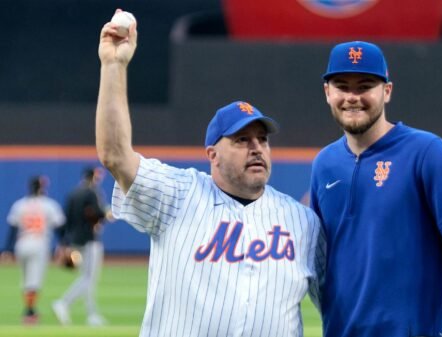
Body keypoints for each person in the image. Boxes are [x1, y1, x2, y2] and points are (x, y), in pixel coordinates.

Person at [94, 10, 321, 337]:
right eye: (242, 139)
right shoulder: (177, 195)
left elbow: (339, 306)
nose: (256, 147)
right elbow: (115, 155)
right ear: (212, 154)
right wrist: (114, 66)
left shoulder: (302, 222)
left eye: (262, 139)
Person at [309, 41, 442, 337]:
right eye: (342, 86)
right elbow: (319, 263)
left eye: (365, 86)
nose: (353, 97)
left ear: (386, 91)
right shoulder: (325, 164)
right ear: (327, 93)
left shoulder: (426, 152)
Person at [4, 176, 65, 325]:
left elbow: (12, 228)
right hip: (39, 244)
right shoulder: (49, 205)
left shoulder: (20, 204)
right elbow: (60, 227)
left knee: (26, 279)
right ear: (42, 188)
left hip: (22, 244)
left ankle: (30, 309)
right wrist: (64, 244)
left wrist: (7, 249)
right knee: (34, 280)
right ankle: (29, 312)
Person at [52, 168, 108, 326]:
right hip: (89, 239)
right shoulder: (92, 192)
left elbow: (65, 219)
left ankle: (91, 314)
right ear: (93, 177)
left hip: (74, 240)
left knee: (87, 277)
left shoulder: (73, 193)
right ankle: (64, 303)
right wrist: (107, 214)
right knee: (89, 278)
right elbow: (98, 213)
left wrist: (64, 242)